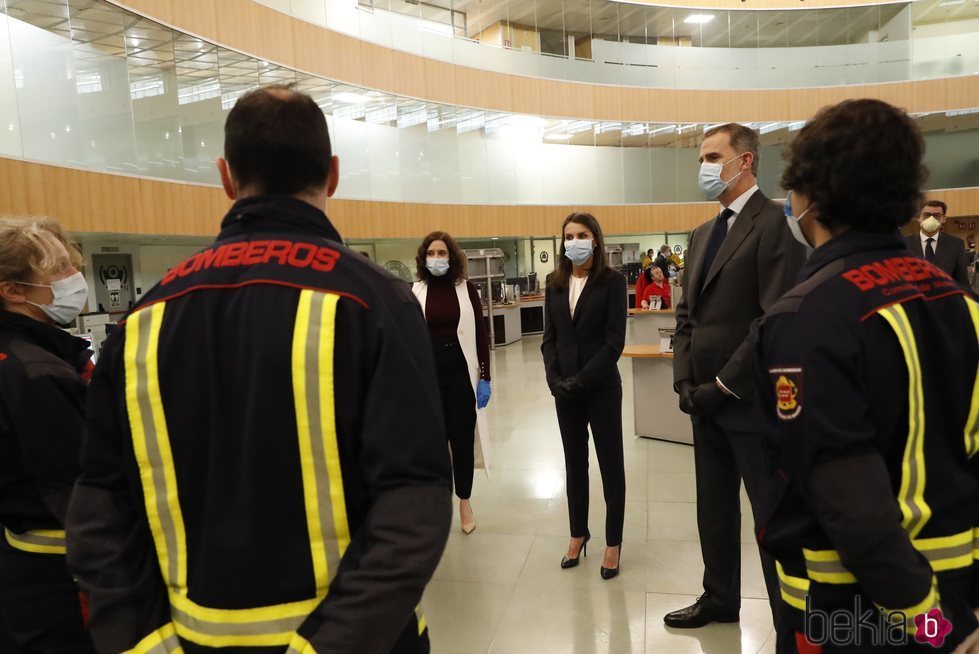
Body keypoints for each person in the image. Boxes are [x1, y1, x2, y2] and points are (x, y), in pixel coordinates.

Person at [65, 85, 453, 653]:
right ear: (334, 174)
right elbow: (414, 499)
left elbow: (99, 509)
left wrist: (144, 643)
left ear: (226, 177)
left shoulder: (144, 318)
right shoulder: (375, 304)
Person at [756, 98, 979, 653]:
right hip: (959, 589)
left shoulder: (809, 318)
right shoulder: (962, 304)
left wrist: (934, 629)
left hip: (857, 613)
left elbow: (849, 503)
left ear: (808, 196)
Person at [667, 122, 807, 642]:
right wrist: (685, 380)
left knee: (770, 518)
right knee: (714, 509)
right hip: (703, 403)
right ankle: (720, 597)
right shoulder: (704, 233)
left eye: (711, 156)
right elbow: (687, 317)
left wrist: (724, 384)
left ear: (744, 161)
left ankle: (788, 620)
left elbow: (771, 319)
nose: (703, 167)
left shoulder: (776, 224)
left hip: (747, 403)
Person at [0, 217, 96, 653]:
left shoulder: (28, 356)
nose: (73, 278)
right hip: (60, 572)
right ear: (13, 290)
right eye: (57, 271)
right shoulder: (37, 373)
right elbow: (79, 493)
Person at [541, 212, 627, 580]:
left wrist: (582, 380)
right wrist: (554, 379)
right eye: (568, 235)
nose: (573, 241)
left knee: (611, 466)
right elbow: (549, 339)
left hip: (601, 387)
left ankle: (613, 542)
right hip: (565, 391)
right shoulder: (554, 283)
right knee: (574, 465)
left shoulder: (613, 282)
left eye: (581, 234)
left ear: (595, 240)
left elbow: (613, 342)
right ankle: (578, 534)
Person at [412, 231, 491, 535]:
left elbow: (481, 335)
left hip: (460, 375)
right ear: (423, 258)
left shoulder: (466, 290)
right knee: (432, 444)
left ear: (452, 257)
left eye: (442, 253)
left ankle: (465, 502)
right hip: (427, 376)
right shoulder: (416, 290)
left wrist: (485, 376)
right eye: (431, 253)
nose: (436, 259)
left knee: (461, 441)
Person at [905, 200, 970, 287]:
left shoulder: (956, 244)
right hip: (914, 299)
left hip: (945, 299)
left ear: (944, 219)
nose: (931, 219)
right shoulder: (903, 244)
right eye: (926, 215)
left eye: (937, 216)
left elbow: (963, 282)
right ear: (918, 218)